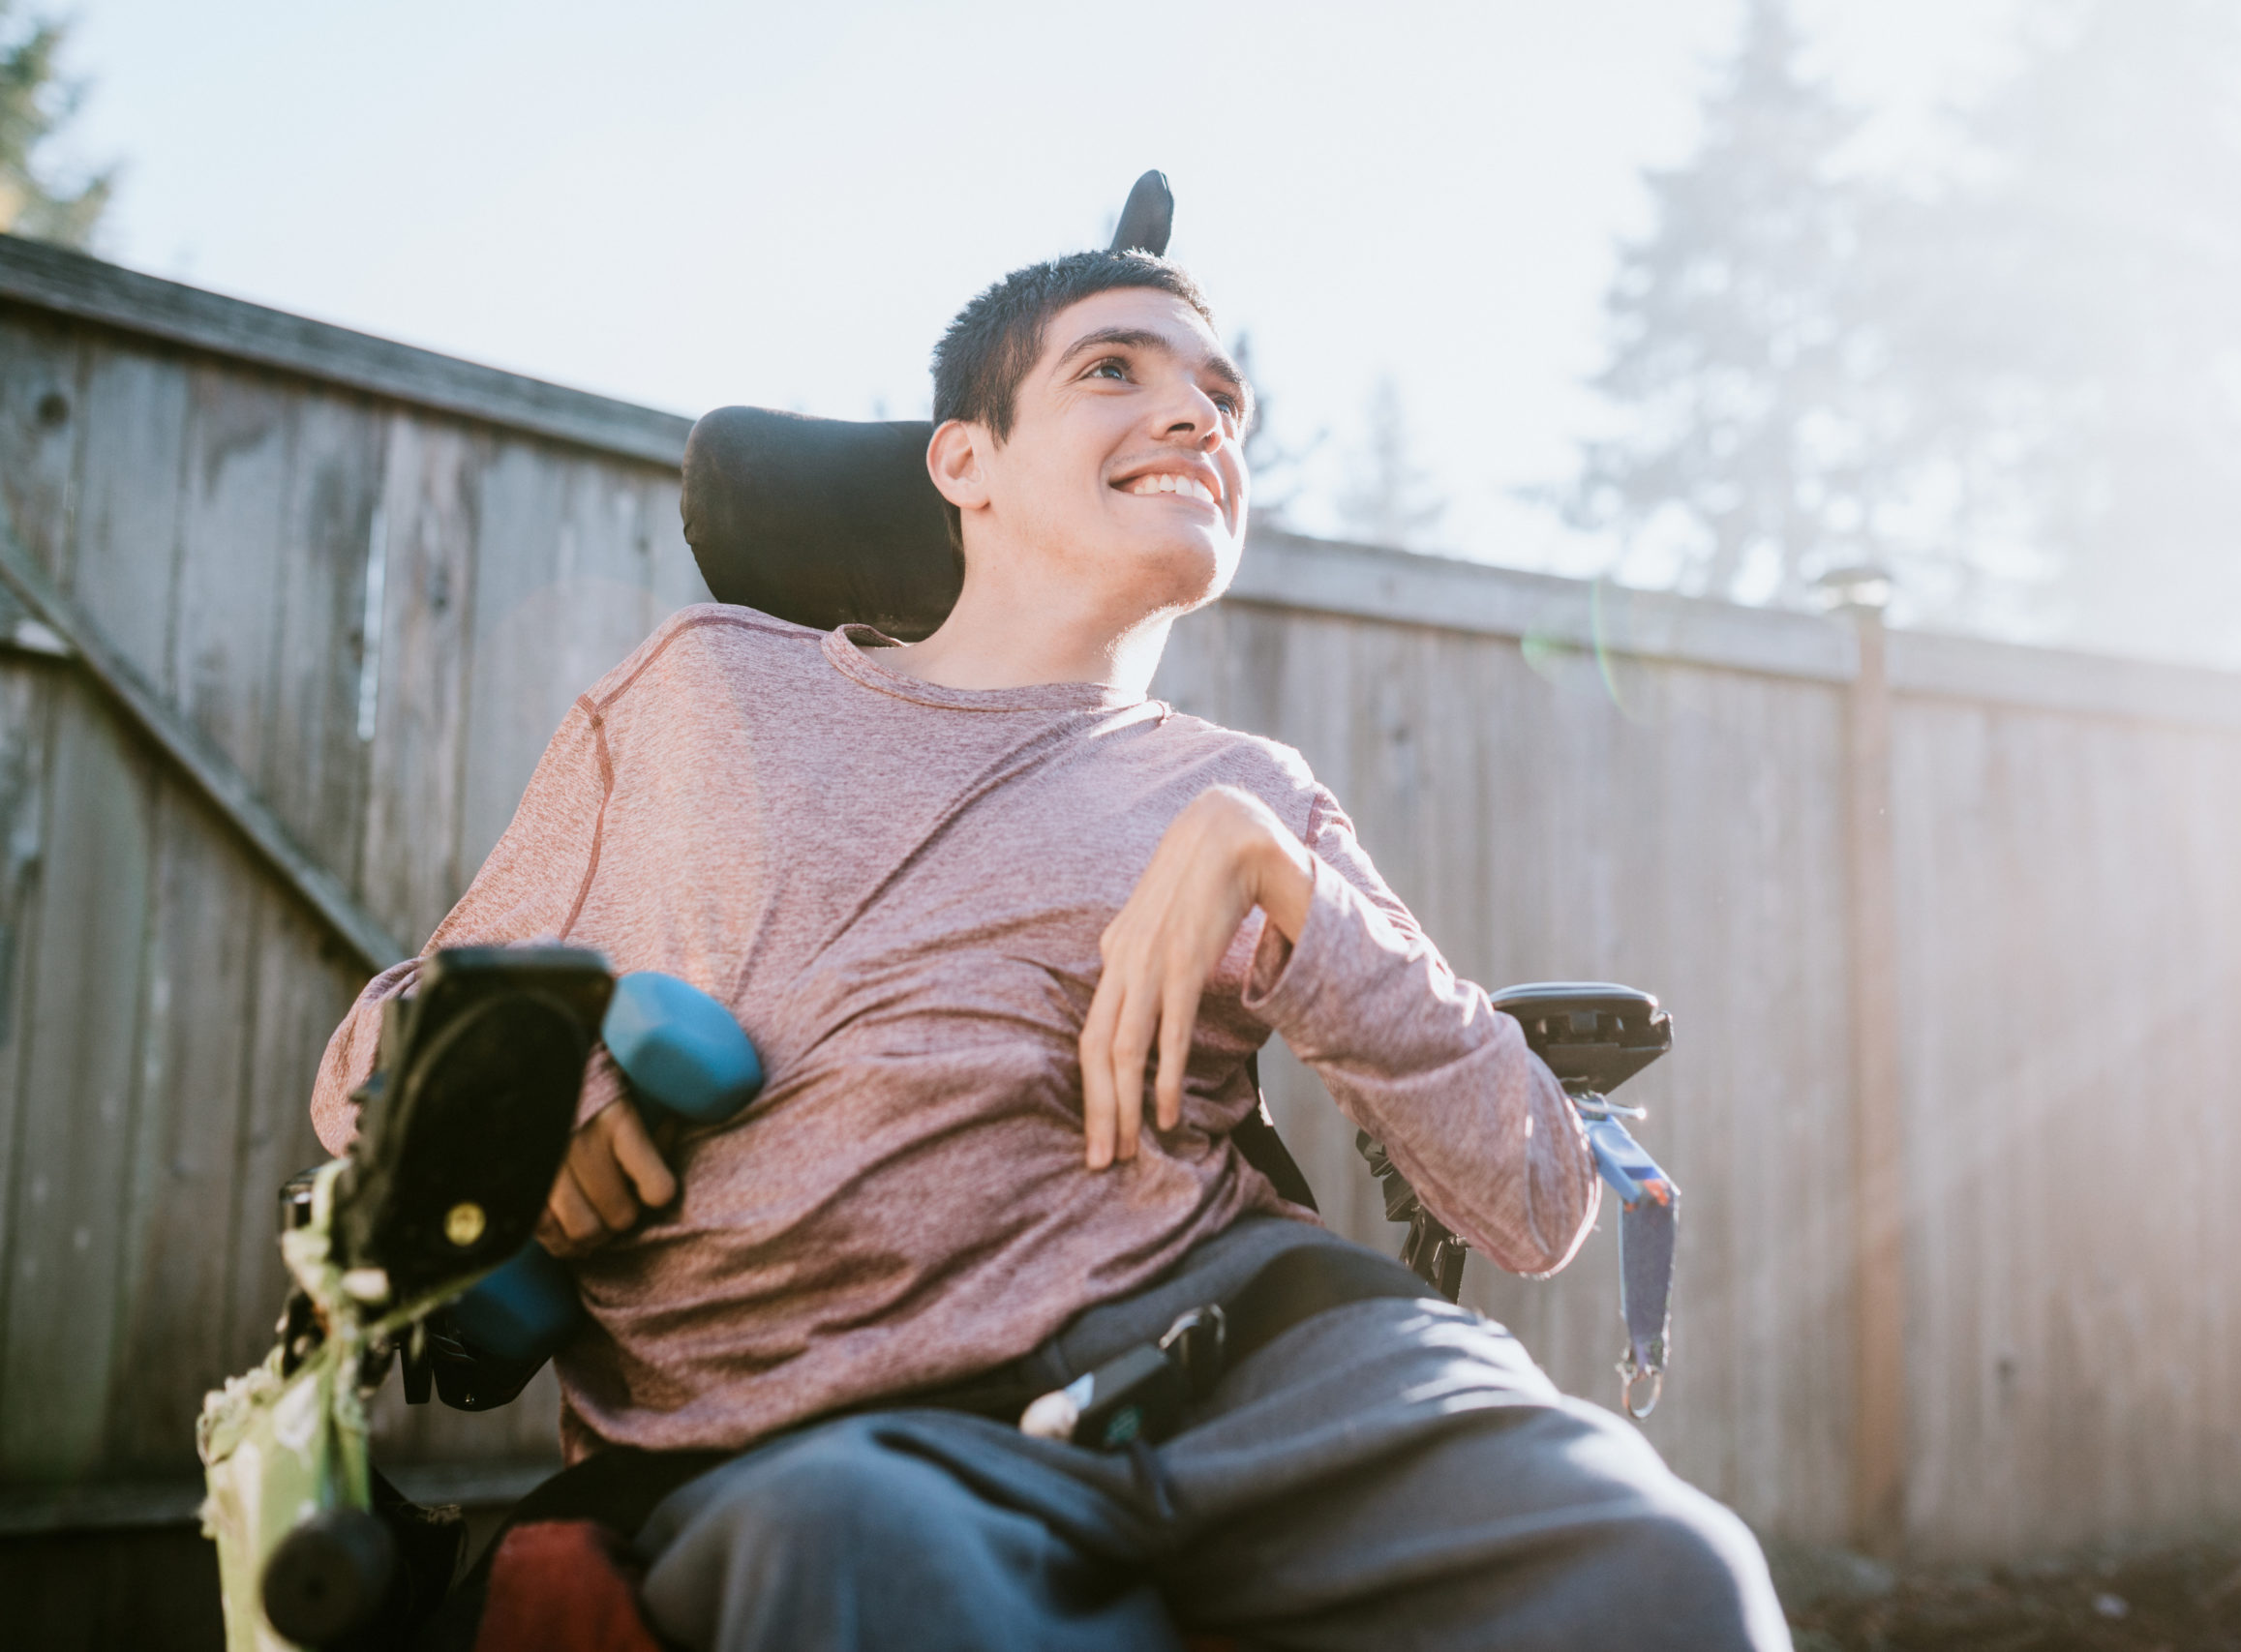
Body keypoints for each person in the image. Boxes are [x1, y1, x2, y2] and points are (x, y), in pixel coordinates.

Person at [313, 248, 1790, 1652]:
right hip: (832, 1429)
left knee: (1663, 1573)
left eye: (1225, 398)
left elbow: (1535, 1198)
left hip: (1253, 1362)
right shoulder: (706, 700)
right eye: (1113, 368)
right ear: (964, 461)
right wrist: (526, 1083)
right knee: (864, 1559)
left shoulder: (1247, 791)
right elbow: (373, 1048)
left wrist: (1288, 893)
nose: (1196, 414)